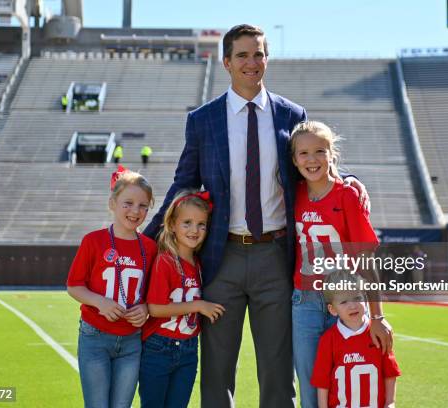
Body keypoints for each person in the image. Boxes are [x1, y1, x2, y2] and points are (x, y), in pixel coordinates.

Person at [144, 24, 370, 408]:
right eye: (244, 55)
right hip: (221, 257)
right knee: (217, 371)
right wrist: (145, 241)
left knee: (278, 372)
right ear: (226, 62)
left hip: (276, 256)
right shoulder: (203, 120)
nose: (252, 62)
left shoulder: (291, 114)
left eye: (259, 54)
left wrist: (347, 179)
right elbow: (184, 184)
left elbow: (311, 161)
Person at [290, 121, 392, 408]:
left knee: (345, 384)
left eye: (320, 151)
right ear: (294, 159)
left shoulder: (348, 194)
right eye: (304, 153)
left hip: (346, 299)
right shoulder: (292, 194)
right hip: (305, 301)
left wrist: (378, 315)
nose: (312, 160)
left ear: (332, 154)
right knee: (311, 387)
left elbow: (365, 257)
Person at [66, 165, 157, 408]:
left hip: (131, 341)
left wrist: (146, 308)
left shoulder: (150, 247)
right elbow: (74, 285)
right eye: (128, 203)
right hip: (95, 337)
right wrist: (100, 302)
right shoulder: (93, 240)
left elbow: (152, 294)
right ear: (112, 203)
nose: (135, 211)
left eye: (142, 205)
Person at [139, 190, 225, 408]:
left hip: (188, 350)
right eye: (187, 222)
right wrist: (198, 306)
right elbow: (155, 308)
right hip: (159, 348)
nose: (194, 230)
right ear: (172, 225)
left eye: (201, 224)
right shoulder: (165, 261)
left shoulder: (199, 264)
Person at [311, 270, 401, 408]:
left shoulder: (377, 333)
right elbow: (322, 382)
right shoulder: (328, 339)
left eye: (357, 298)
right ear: (332, 309)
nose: (352, 305)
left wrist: (390, 402)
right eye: (344, 302)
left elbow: (390, 372)